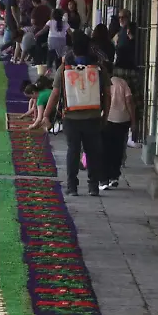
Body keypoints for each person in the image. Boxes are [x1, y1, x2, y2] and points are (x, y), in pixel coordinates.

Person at [42, 33, 110, 196]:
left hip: (71, 117)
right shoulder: (99, 68)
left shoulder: (65, 68)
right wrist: (105, 115)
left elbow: (55, 93)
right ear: (89, 47)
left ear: (72, 48)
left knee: (73, 151)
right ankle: (93, 186)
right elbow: (107, 94)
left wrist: (46, 114)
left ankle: (72, 187)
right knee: (93, 152)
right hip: (93, 116)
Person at [100, 74, 134, 190]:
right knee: (118, 149)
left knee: (105, 150)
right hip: (122, 119)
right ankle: (114, 177)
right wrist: (133, 120)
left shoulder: (102, 83)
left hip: (107, 120)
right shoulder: (122, 82)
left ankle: (104, 179)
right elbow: (129, 100)